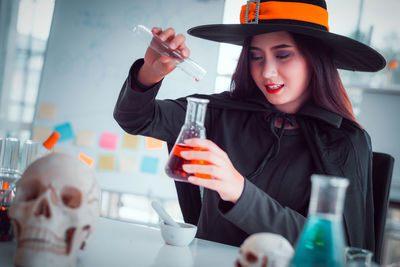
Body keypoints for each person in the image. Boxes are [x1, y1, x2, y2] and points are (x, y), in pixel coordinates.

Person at [114, 0, 385, 255]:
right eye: (256, 56)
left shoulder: (346, 141)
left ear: (314, 59)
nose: (266, 71)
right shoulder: (221, 113)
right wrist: (150, 72)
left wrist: (238, 190)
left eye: (282, 55)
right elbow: (135, 118)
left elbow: (332, 249)